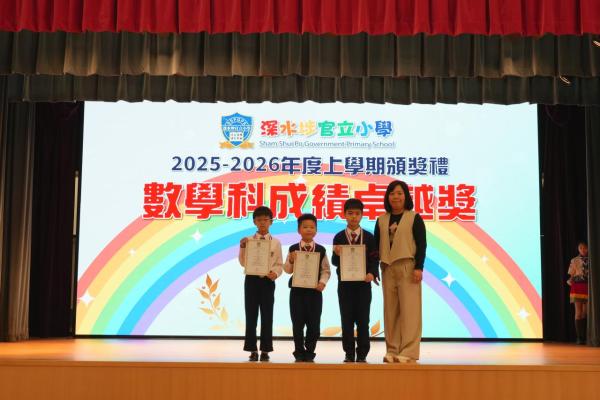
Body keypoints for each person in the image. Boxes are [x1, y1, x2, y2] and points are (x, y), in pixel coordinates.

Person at [375, 180, 427, 363]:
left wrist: (419, 267)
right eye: (392, 193)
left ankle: (409, 351)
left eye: (399, 193)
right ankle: (392, 350)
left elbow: (421, 244)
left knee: (410, 311)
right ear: (387, 197)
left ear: (406, 196)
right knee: (391, 312)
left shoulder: (414, 217)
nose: (395, 197)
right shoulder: (381, 220)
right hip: (387, 268)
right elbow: (376, 247)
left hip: (408, 267)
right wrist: (374, 269)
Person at [331, 198, 380, 363]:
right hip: (345, 285)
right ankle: (349, 353)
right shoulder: (339, 237)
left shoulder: (369, 237)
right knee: (346, 320)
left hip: (363, 285)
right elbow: (335, 262)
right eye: (350, 213)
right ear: (344, 215)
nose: (353, 217)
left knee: (363, 320)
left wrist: (372, 273)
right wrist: (336, 253)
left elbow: (375, 259)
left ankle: (362, 353)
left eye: (357, 213)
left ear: (362, 215)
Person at [283, 213, 331, 362]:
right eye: (305, 227)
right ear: (299, 230)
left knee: (314, 324)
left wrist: (322, 283)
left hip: (314, 292)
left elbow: (326, 270)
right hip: (297, 292)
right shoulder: (293, 248)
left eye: (312, 227)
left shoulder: (321, 250)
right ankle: (298, 351)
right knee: (297, 323)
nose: (308, 229)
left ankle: (310, 351)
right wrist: (291, 260)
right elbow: (287, 270)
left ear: (316, 230)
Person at [238, 206, 283, 361]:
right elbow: (243, 262)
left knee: (267, 315)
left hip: (267, 281)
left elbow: (279, 263)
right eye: (259, 220)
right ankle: (252, 349)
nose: (262, 222)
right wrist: (242, 247)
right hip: (251, 280)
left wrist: (275, 273)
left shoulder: (276, 242)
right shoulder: (248, 240)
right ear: (254, 222)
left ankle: (265, 350)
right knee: (251, 315)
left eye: (265, 219)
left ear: (271, 221)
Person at [567, 241, 589, 345]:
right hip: (577, 287)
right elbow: (571, 275)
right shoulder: (574, 260)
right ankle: (579, 338)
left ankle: (586, 336)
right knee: (578, 312)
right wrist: (571, 280)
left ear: (588, 248)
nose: (583, 250)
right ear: (578, 249)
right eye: (581, 248)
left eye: (585, 248)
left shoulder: (592, 259)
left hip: (588, 287)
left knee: (586, 312)